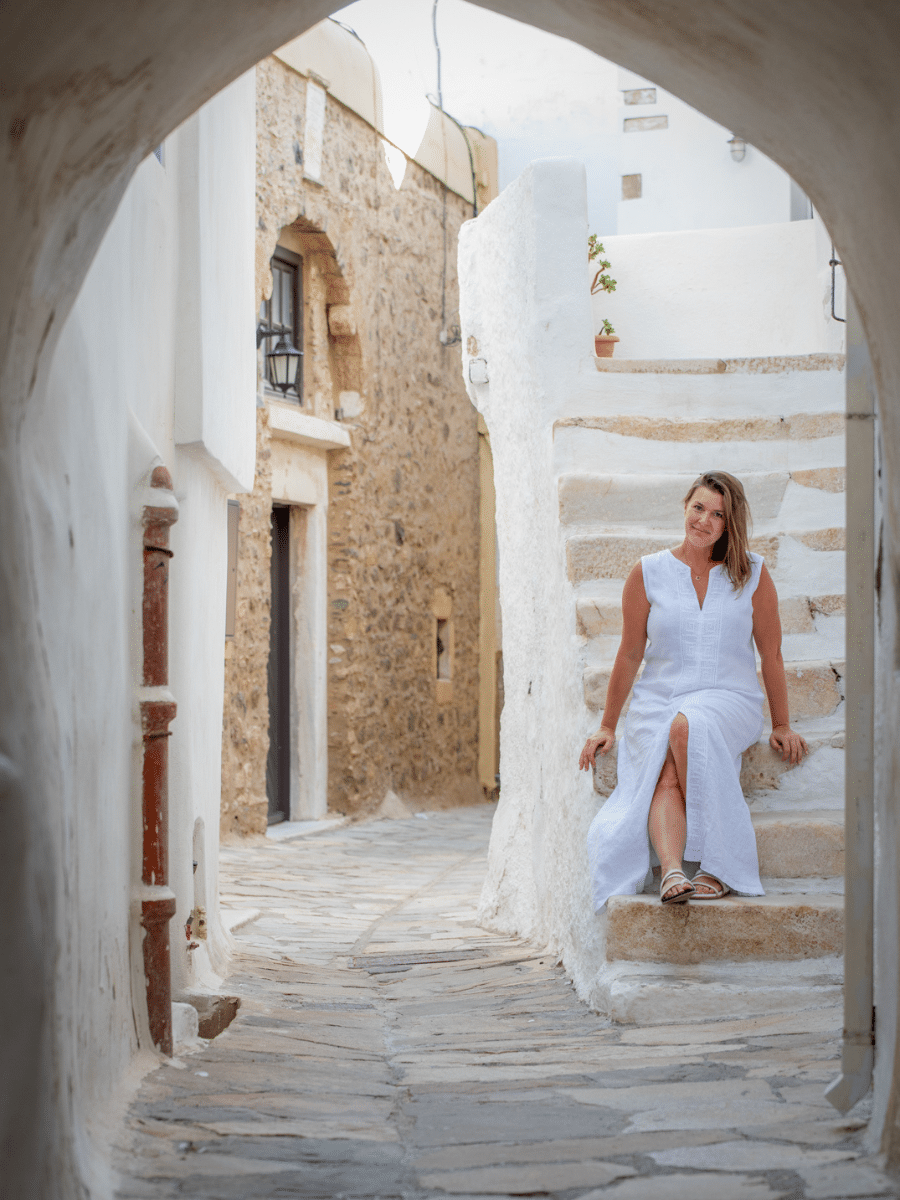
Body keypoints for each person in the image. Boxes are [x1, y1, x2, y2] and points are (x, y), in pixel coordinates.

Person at [579, 470, 807, 908]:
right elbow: (629, 654)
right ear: (685, 506)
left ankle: (720, 865)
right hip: (657, 700)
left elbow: (771, 654)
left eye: (716, 514)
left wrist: (781, 722)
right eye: (698, 507)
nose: (703, 520)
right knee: (663, 769)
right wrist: (607, 724)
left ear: (729, 524)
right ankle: (673, 872)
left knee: (689, 727)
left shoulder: (753, 573)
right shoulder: (648, 573)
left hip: (731, 699)